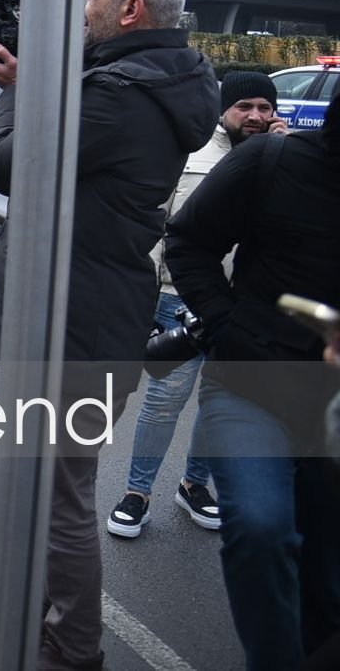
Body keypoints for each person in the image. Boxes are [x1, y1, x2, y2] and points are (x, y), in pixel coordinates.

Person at [0, 0, 218, 670]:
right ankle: (25, 593)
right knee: (38, 471)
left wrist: (18, 95)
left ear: (130, 9)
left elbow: (12, 165)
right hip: (88, 305)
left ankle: (71, 644)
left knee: (60, 494)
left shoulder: (119, 95)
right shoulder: (151, 79)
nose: (81, 12)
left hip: (71, 318)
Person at [165, 89, 340, 671]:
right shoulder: (270, 161)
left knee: (327, 568)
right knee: (262, 529)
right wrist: (225, 327)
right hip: (252, 385)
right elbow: (187, 241)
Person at [107, 71, 288, 540]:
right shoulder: (189, 156)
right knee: (164, 403)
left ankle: (194, 485)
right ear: (223, 111)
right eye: (244, 106)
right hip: (178, 299)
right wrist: (144, 297)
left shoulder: (286, 160)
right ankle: (137, 493)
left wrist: (285, 156)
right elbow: (154, 227)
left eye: (264, 108)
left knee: (218, 404)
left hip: (246, 308)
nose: (255, 116)